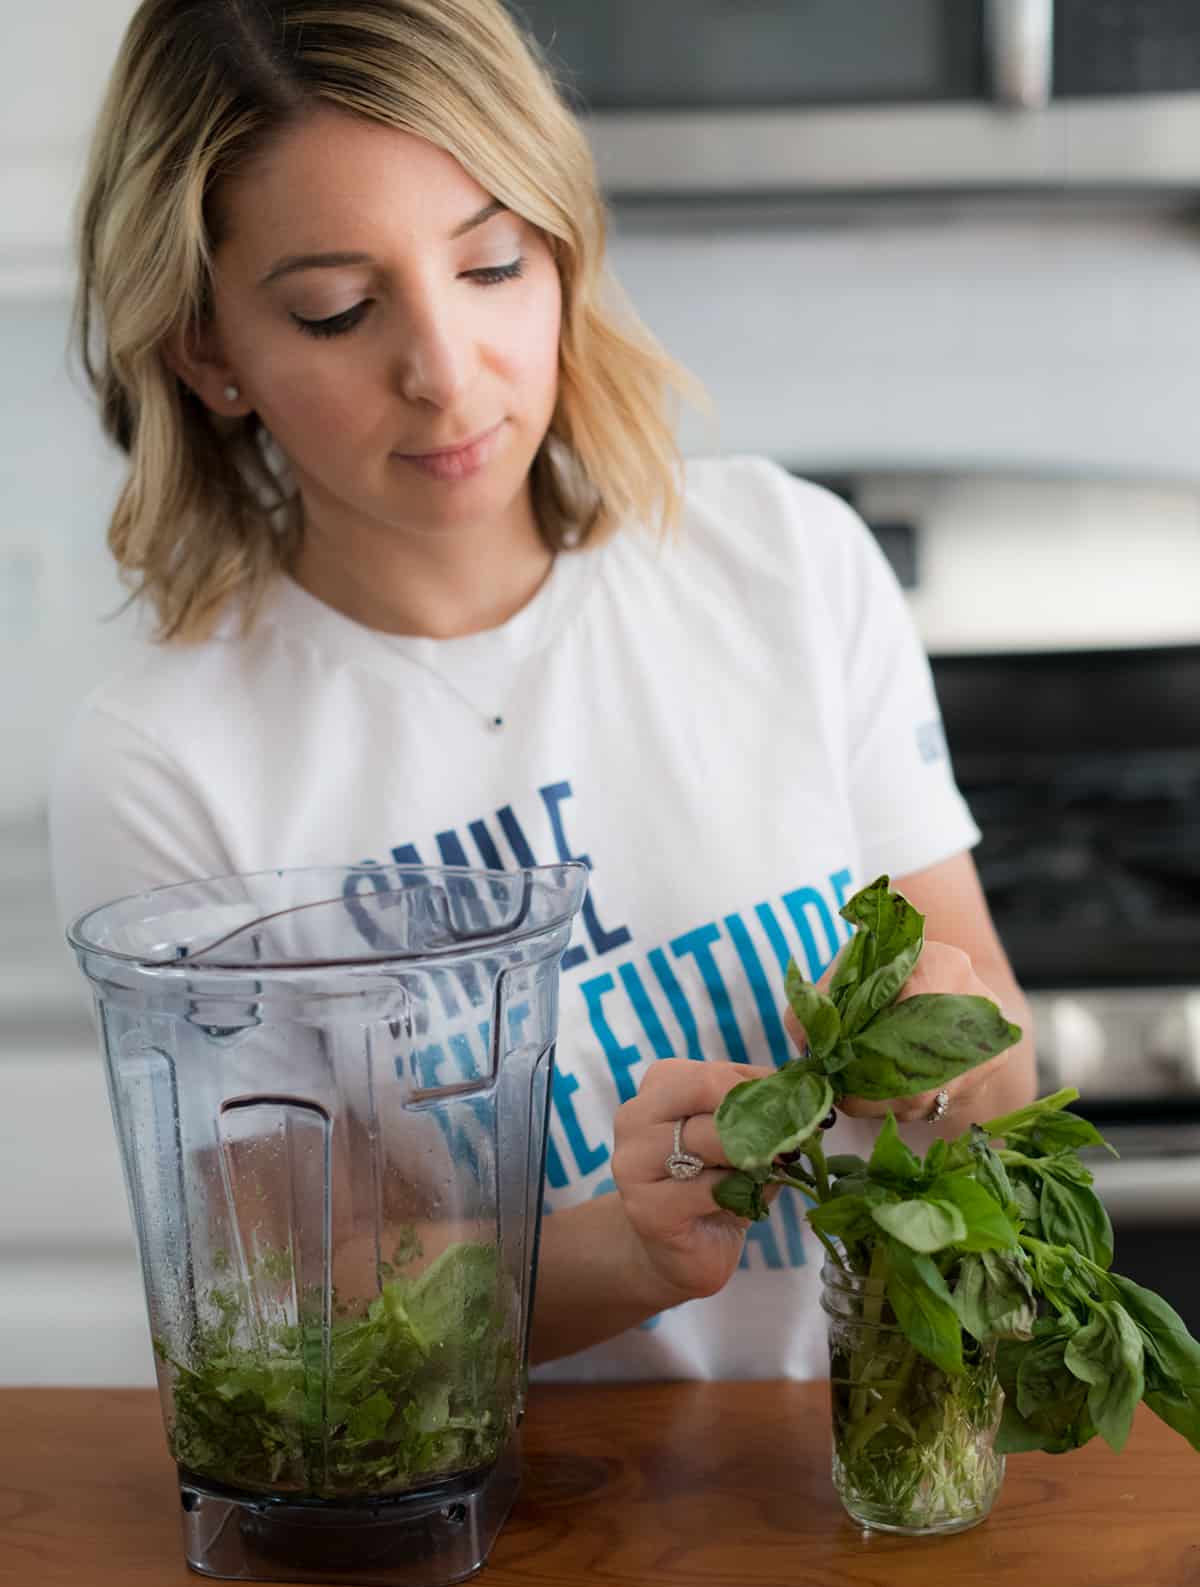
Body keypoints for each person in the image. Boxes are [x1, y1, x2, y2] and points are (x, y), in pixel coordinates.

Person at [52, 0, 1036, 1383]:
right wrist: (619, 1256)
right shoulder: (167, 760)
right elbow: (283, 1313)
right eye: (337, 309)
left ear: (562, 251)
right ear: (209, 352)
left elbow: (997, 1079)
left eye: (493, 266)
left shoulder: (785, 564)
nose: (445, 375)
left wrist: (939, 1063)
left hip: (845, 1486)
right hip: (496, 1552)